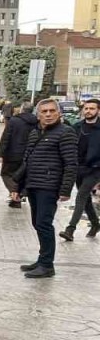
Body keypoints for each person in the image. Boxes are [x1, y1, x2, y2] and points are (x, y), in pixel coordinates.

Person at [14, 99, 78, 278]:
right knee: (37, 223)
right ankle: (42, 260)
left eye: (51, 111)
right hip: (34, 184)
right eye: (44, 112)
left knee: (44, 224)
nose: (48, 115)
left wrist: (65, 189)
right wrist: (20, 187)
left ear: (58, 113)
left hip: (49, 186)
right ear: (38, 115)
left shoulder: (66, 133)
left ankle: (47, 265)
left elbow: (71, 163)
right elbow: (27, 161)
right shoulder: (35, 133)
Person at [61, 98, 100, 241]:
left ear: (98, 111)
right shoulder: (77, 127)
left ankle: (70, 229)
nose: (88, 111)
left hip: (95, 169)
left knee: (81, 196)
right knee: (86, 199)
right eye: (86, 108)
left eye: (92, 108)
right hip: (78, 168)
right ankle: (95, 224)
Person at [0, 102, 37, 207]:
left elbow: (6, 137)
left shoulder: (14, 121)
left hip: (12, 154)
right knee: (22, 175)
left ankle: (15, 193)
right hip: (29, 154)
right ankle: (18, 196)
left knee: (6, 174)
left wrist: (0, 153)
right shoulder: (37, 122)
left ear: (21, 109)